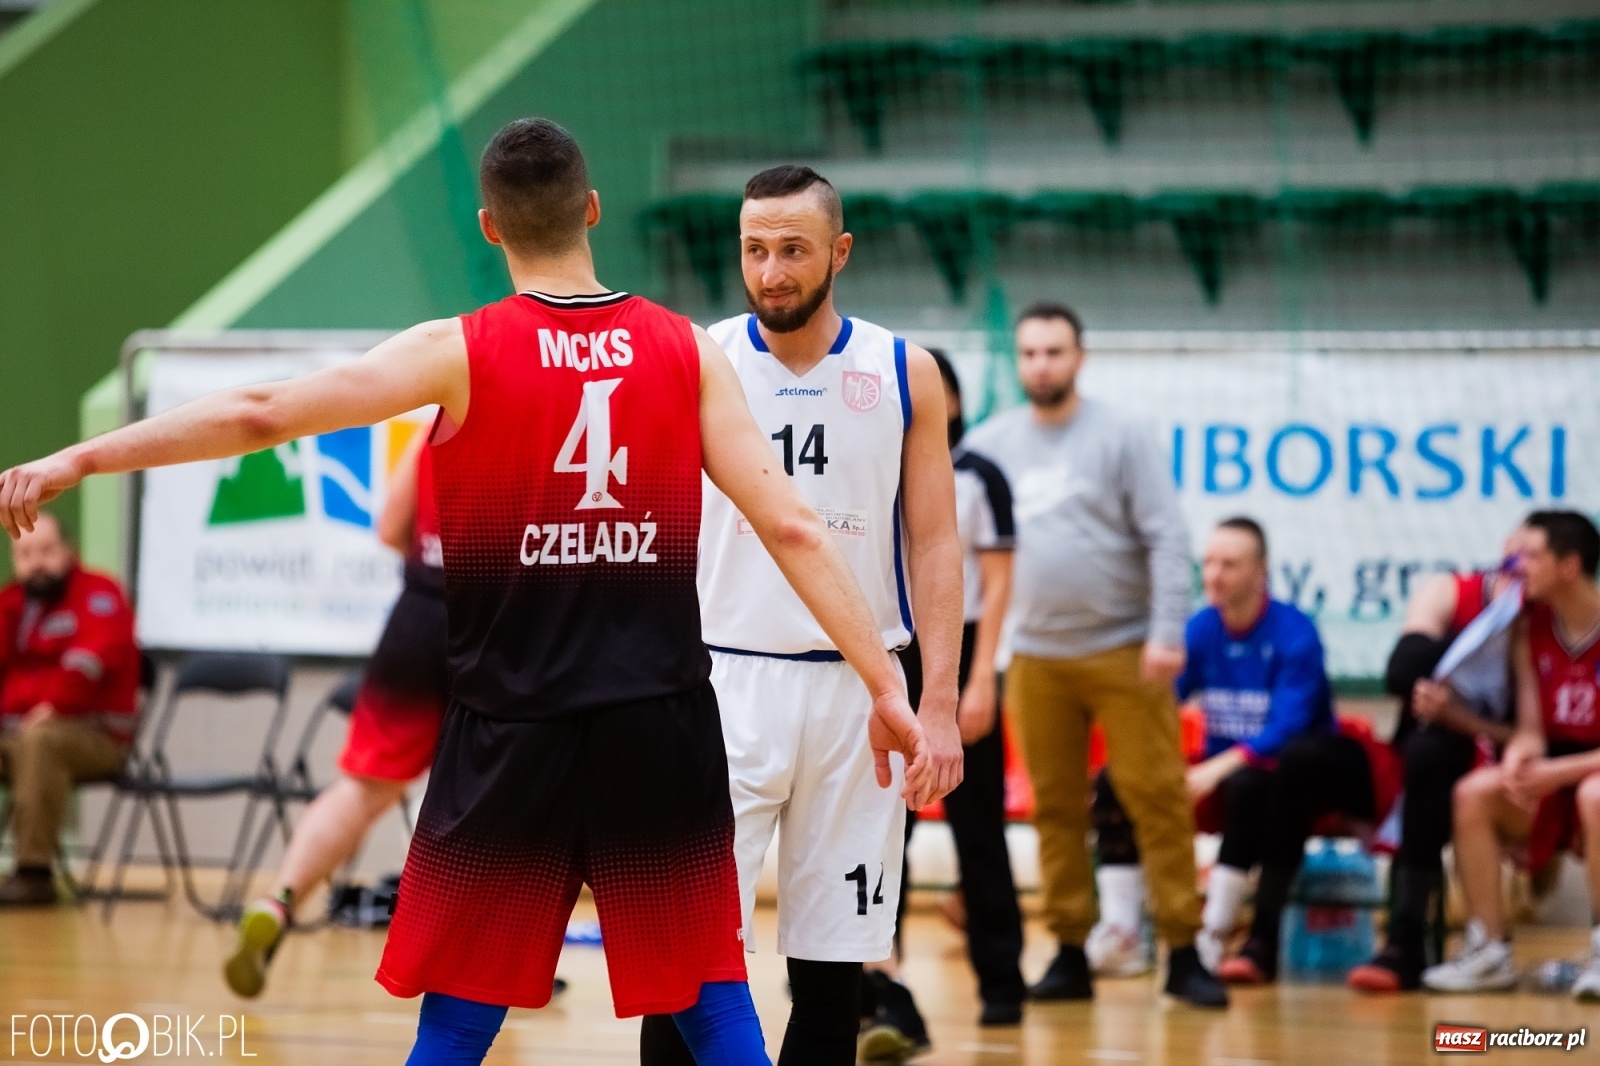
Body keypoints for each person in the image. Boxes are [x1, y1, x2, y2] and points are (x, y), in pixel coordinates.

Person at [0, 118, 949, 1066]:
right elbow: (794, 528)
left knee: (459, 1022)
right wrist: (884, 684)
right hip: (658, 727)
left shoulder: (458, 350)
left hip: (512, 730)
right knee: (711, 1001)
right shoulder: (684, 349)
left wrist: (80, 459)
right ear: (591, 210)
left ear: (490, 226)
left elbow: (261, 413)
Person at [640, 165, 964, 1066]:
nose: (771, 271)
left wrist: (938, 703)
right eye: (755, 249)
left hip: (861, 698)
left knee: (831, 973)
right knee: (688, 959)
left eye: (792, 250)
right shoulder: (701, 358)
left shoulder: (904, 371)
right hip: (722, 686)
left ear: (840, 252)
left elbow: (936, 544)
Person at [963, 303, 1226, 1008]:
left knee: (1157, 799)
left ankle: (1183, 949)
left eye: (1054, 352)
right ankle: (1070, 950)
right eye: (1029, 353)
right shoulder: (990, 444)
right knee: (1053, 809)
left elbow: (1167, 535)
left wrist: (1167, 632)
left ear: (1079, 357)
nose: (1041, 365)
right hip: (1034, 657)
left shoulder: (1122, 435)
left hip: (1126, 649)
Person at [1096, 517, 1399, 985]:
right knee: (1116, 778)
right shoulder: (1201, 628)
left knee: (1252, 782)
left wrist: (1213, 771)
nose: (1214, 575)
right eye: (1209, 563)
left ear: (1261, 574)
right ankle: (1122, 933)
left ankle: (1215, 935)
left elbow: (1286, 730)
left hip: (1303, 772)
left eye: (1229, 565)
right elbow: (1161, 703)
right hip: (1233, 772)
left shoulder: (1295, 633)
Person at [225, 434, 452, 997]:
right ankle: (484, 956)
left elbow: (390, 528)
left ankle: (280, 901)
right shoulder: (543, 419)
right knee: (494, 797)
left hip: (418, 620)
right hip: (494, 626)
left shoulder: (436, 427)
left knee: (362, 790)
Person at [857, 350, 1026, 1061]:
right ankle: (874, 982)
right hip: (892, 649)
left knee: (978, 827)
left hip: (959, 651)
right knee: (880, 827)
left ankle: (1002, 980)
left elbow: (999, 584)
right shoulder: (876, 466)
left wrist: (980, 680)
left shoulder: (980, 475)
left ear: (950, 401)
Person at [1423, 510, 1600, 1000]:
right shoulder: (1528, 626)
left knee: (1595, 794)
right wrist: (1520, 757)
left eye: (1532, 556)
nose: (1517, 566)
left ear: (1569, 565)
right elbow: (1531, 729)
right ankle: (1489, 950)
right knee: (1475, 792)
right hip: (1557, 774)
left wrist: (1556, 772)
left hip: (1587, 776)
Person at [1348, 527, 1526, 993]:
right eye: (1510, 561)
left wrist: (1461, 714)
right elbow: (1402, 671)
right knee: (1428, 754)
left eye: (1530, 560)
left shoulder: (1549, 625)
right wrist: (1483, 637)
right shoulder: (1452, 591)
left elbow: (1536, 735)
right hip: (1447, 761)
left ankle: (1484, 943)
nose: (1517, 571)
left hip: (1517, 766)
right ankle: (1408, 939)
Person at [0, 511, 138, 906]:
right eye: (25, 554)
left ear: (68, 551)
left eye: (46, 551)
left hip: (95, 736)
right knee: (33, 739)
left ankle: (33, 874)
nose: (36, 563)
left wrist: (52, 706)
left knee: (41, 741)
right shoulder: (11, 603)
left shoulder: (99, 594)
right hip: (18, 732)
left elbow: (88, 663)